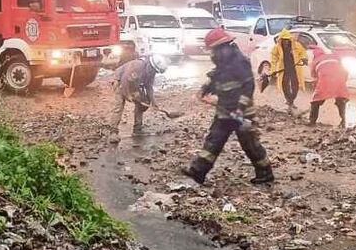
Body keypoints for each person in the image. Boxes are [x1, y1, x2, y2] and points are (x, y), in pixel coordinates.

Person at [184, 28, 274, 185]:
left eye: (213, 50)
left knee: (250, 144)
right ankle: (198, 171)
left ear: (223, 48)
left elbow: (248, 86)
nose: (212, 54)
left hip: (242, 113)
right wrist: (205, 88)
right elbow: (216, 78)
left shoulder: (240, 62)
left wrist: (240, 108)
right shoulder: (222, 63)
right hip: (225, 112)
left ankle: (265, 172)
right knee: (214, 141)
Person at [109, 54, 169, 143]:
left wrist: (153, 102)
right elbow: (125, 81)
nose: (154, 73)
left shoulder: (151, 71)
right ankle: (113, 132)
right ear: (150, 65)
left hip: (133, 84)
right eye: (154, 70)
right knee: (119, 106)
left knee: (142, 103)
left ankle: (137, 129)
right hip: (120, 81)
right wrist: (129, 95)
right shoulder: (137, 66)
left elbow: (149, 87)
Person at [308, 51, 349, 126]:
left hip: (325, 78)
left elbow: (314, 76)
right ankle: (343, 121)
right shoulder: (334, 56)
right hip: (339, 77)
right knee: (341, 99)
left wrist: (316, 86)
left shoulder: (314, 61)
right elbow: (345, 72)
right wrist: (342, 82)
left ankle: (312, 121)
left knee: (316, 101)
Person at [269, 29, 306, 112]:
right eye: (284, 40)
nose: (286, 42)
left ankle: (291, 99)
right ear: (281, 40)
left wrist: (304, 58)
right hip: (283, 69)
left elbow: (303, 52)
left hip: (294, 68)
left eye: (287, 40)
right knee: (285, 85)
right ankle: (289, 101)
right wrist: (273, 70)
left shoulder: (296, 45)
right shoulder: (277, 48)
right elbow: (273, 59)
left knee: (296, 85)